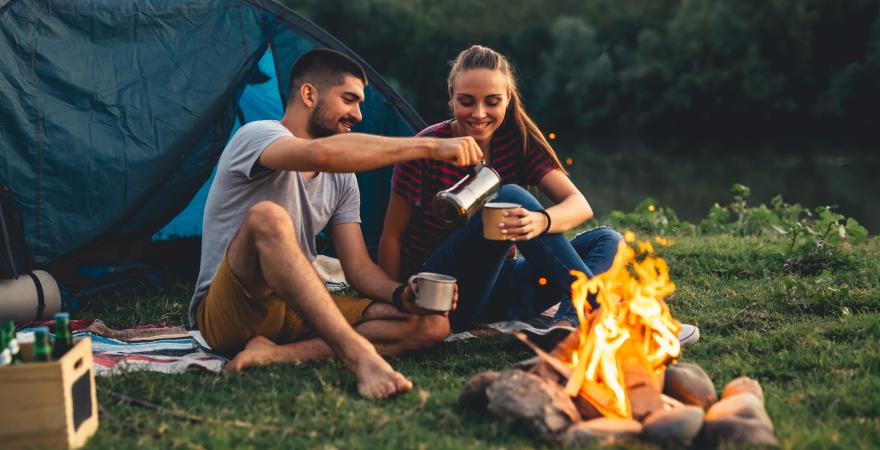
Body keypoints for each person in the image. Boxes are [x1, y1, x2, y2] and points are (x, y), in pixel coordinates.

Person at [190, 48, 483, 399]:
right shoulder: (257, 135)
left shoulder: (343, 180)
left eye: (360, 103)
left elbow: (357, 268)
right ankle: (359, 356)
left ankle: (275, 354)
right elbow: (318, 155)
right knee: (267, 216)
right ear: (309, 94)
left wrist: (400, 294)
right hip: (232, 310)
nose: (358, 114)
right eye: (349, 99)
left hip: (294, 308)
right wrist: (429, 148)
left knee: (431, 325)